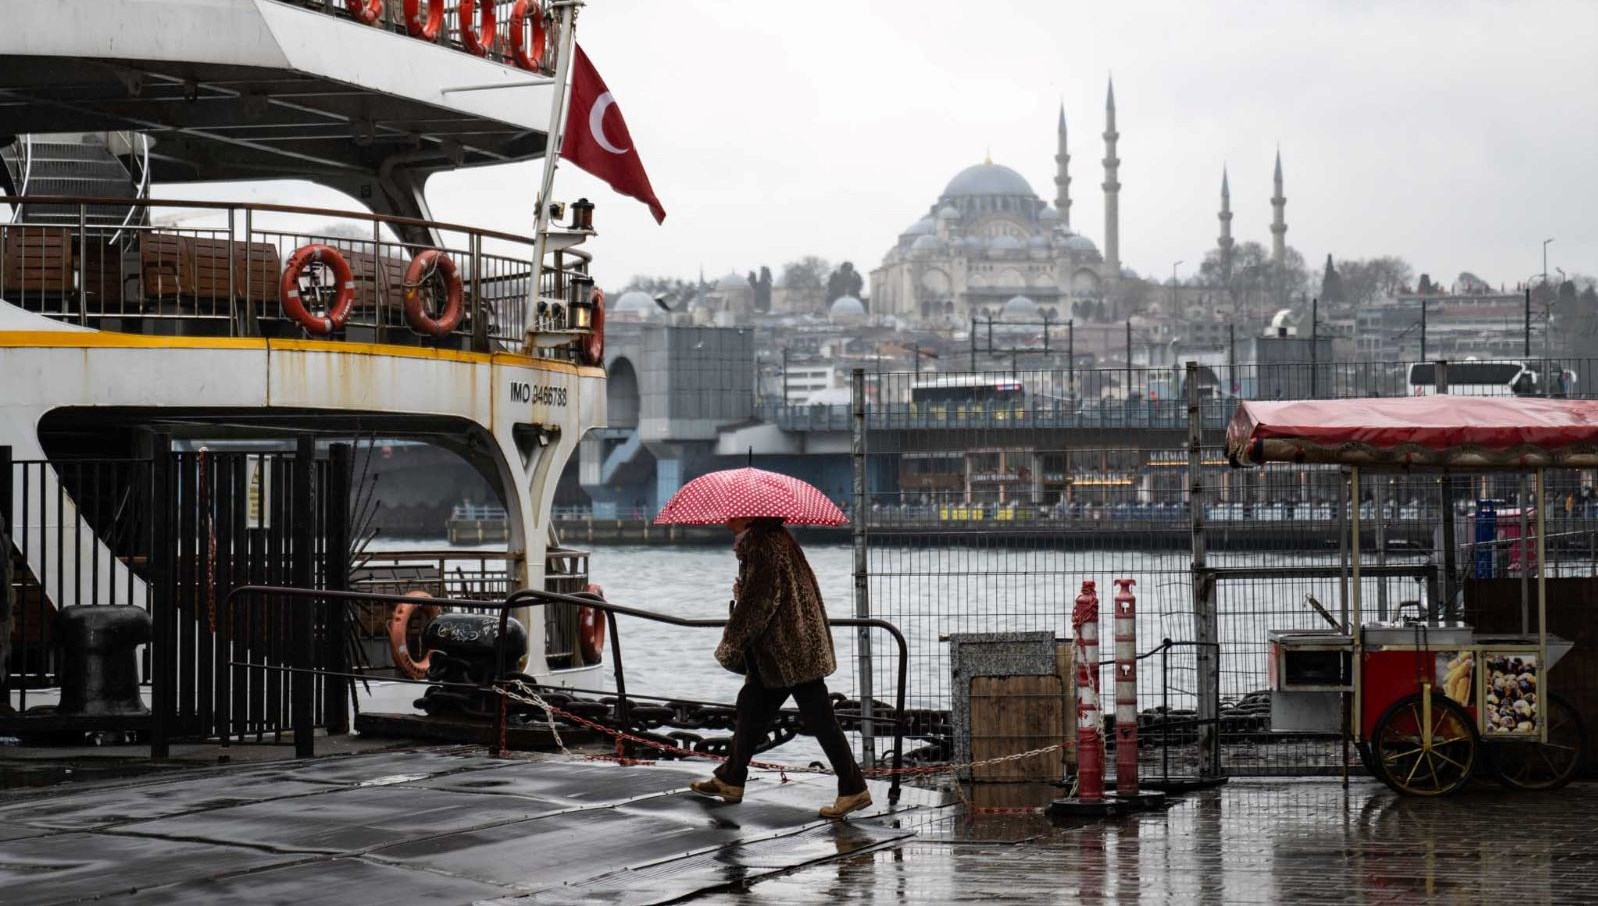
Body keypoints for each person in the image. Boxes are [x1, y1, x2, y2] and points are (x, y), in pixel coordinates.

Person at [689, 516, 871, 819]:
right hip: (787, 649)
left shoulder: (763, 546)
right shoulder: (773, 540)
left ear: (746, 515)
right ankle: (731, 778)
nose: (725, 518)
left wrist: (731, 641)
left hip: (788, 651)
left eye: (731, 513)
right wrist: (744, 587)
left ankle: (853, 787)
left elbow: (758, 606)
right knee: (751, 706)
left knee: (819, 717)